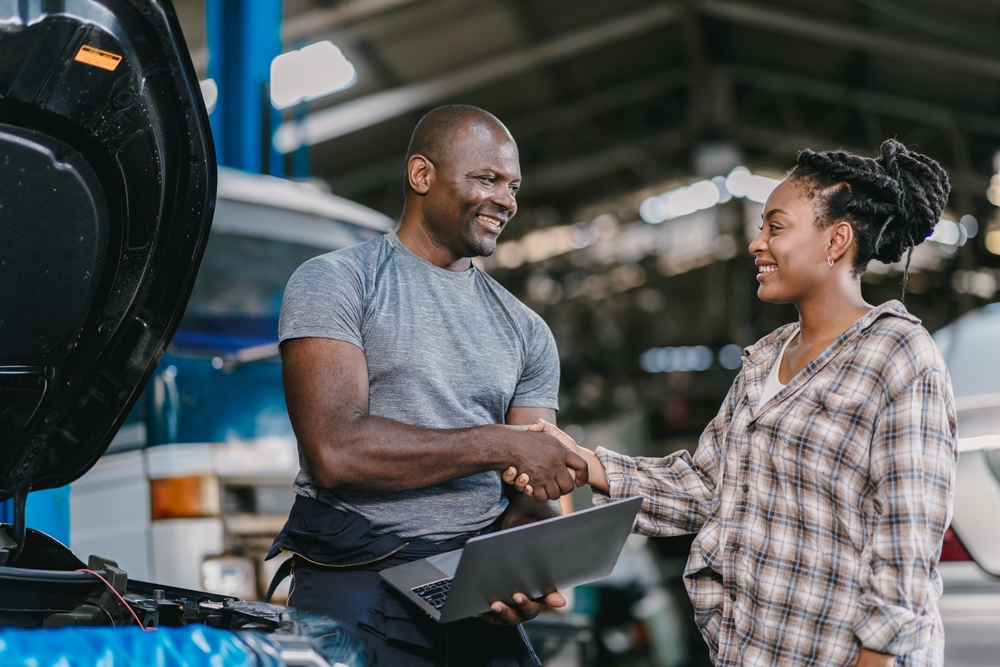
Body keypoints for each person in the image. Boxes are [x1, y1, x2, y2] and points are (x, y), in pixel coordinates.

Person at [508, 139, 958, 666]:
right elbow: (706, 487)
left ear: (836, 240)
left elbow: (906, 545)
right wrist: (586, 463)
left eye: (776, 226)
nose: (756, 243)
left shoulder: (899, 355)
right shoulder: (766, 358)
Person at [267, 105, 587, 666]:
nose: (506, 200)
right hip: (355, 576)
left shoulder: (526, 330)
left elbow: (537, 484)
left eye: (512, 186)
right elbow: (335, 450)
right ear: (422, 176)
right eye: (487, 179)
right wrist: (497, 443)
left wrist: (512, 573)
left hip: (466, 584)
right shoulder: (337, 282)